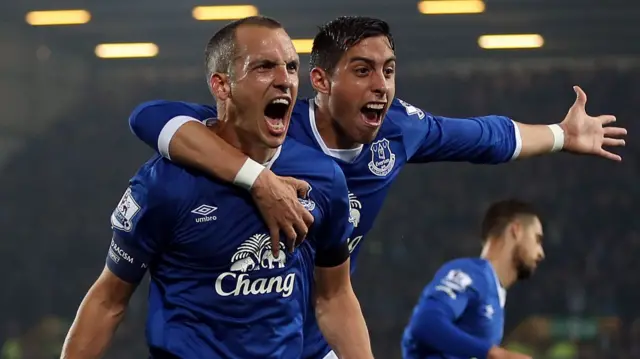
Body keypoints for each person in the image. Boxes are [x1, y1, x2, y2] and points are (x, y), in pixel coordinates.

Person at [127, 16, 625, 359]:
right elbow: (153, 117)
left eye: (388, 71)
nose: (381, 86)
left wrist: (562, 135)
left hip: (319, 339)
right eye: (362, 71)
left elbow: (487, 136)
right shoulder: (273, 127)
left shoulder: (399, 131)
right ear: (319, 81)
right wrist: (257, 178)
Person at [61, 16, 372, 359]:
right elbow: (108, 302)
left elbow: (335, 297)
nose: (285, 80)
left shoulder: (324, 178)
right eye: (264, 67)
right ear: (222, 86)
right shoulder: (166, 184)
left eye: (291, 66)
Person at [401, 200, 545, 359]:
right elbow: (425, 322)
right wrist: (496, 354)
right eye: (537, 239)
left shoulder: (494, 295)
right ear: (515, 230)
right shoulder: (471, 274)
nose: (541, 253)